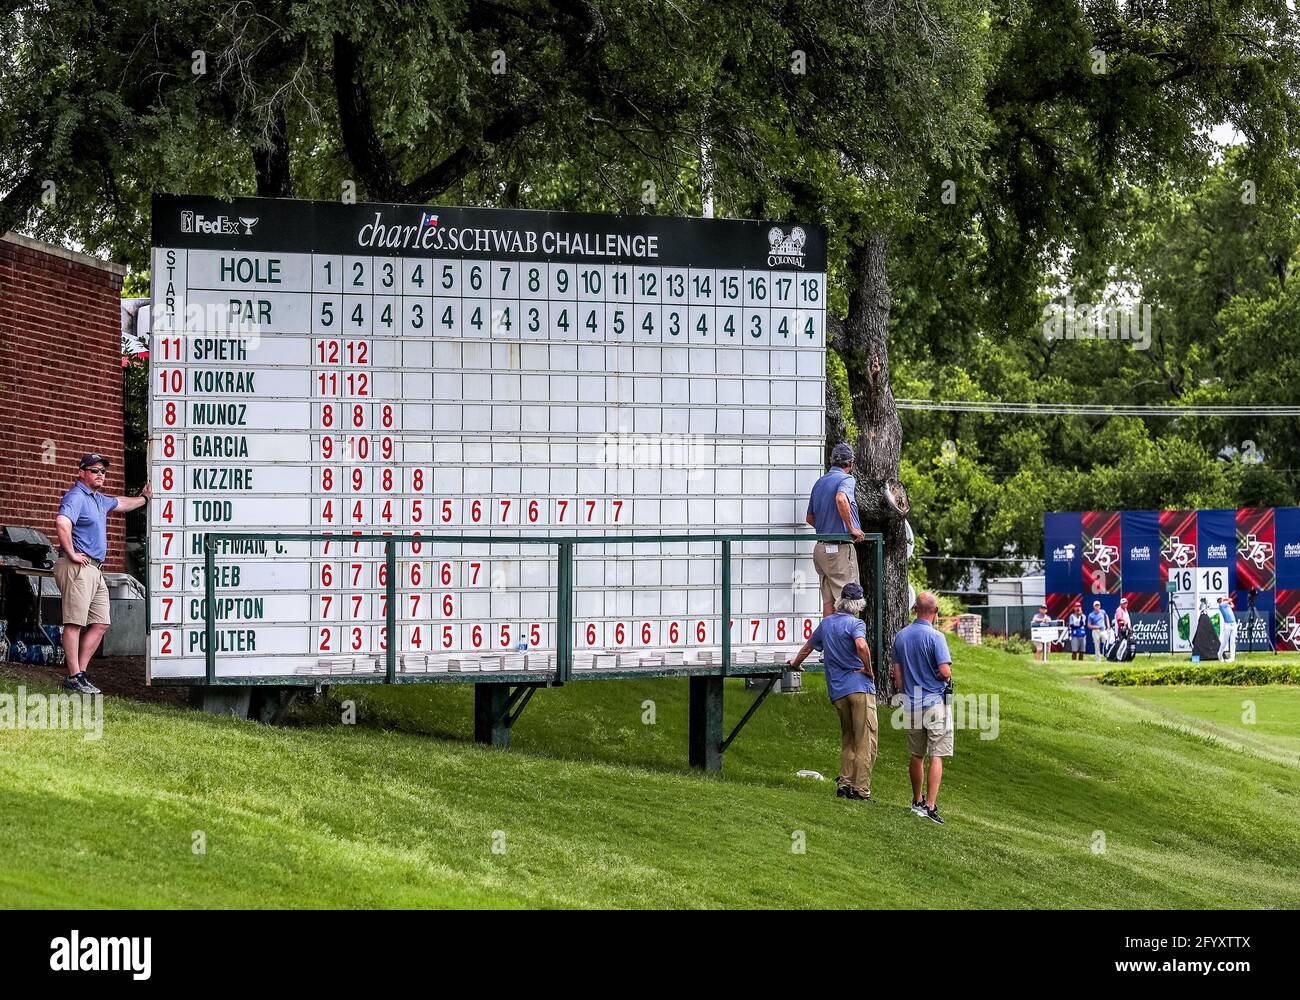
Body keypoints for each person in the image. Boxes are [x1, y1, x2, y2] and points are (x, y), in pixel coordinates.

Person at [53, 454, 150, 694]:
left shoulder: (98, 499)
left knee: (101, 623)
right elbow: (62, 523)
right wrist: (73, 553)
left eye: (103, 472)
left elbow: (121, 503)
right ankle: (74, 676)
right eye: (95, 470)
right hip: (77, 567)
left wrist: (144, 499)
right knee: (74, 623)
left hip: (95, 569)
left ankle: (80, 674)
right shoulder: (76, 497)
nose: (100, 475)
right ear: (82, 472)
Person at [787, 582, 877, 801]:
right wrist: (868, 669)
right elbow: (862, 646)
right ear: (858, 604)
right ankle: (860, 790)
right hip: (859, 689)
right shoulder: (856, 624)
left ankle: (844, 785)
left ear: (840, 601)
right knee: (866, 739)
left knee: (848, 738)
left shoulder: (826, 623)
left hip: (838, 691)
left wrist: (795, 663)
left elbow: (808, 647)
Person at [892, 591, 953, 825]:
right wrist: (942, 677)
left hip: (912, 702)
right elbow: (945, 671)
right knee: (937, 754)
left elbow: (898, 675)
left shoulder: (901, 636)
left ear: (914, 609)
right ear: (935, 612)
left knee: (916, 755)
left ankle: (917, 800)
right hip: (935, 702)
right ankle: (931, 806)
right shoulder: (936, 638)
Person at [805, 442, 865, 618]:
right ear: (850, 464)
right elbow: (841, 498)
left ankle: (829, 645)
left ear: (832, 462)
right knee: (849, 601)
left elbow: (809, 519)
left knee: (828, 602)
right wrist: (851, 527)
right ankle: (846, 645)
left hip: (820, 549)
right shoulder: (847, 479)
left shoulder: (820, 482)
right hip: (839, 549)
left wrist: (827, 528)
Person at [1217, 594, 1237, 662]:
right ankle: (1219, 653)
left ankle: (1232, 658)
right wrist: (1226, 599)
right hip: (1227, 625)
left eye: (1220, 599)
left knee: (1232, 641)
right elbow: (1230, 599)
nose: (1220, 600)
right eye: (1219, 599)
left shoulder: (1226, 605)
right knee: (1225, 641)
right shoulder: (1221, 605)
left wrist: (1227, 600)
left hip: (1233, 624)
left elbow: (1233, 605)